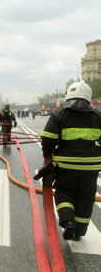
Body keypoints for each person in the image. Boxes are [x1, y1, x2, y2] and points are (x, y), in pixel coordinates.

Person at [38, 80, 101, 241]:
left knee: (64, 191)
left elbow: (47, 139)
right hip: (91, 167)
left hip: (65, 165)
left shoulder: (59, 115)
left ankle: (68, 222)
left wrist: (48, 156)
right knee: (86, 197)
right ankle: (79, 231)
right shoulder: (97, 116)